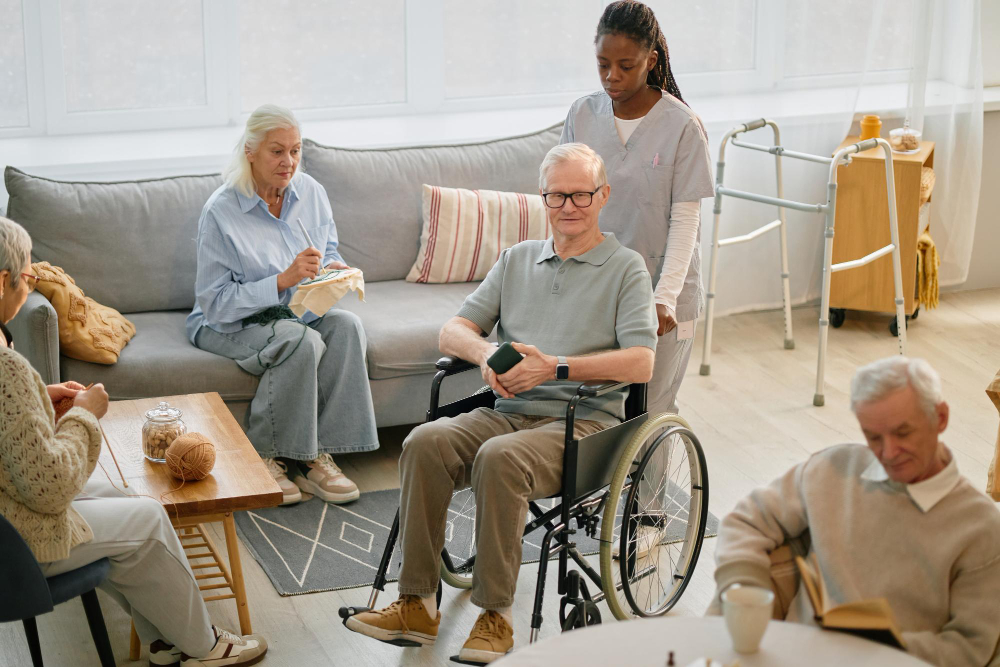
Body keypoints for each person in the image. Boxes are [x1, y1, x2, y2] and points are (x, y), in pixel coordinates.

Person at [343, 143, 657, 663]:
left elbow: (641, 363)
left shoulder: (626, 269)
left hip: (584, 424)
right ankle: (416, 602)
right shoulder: (516, 261)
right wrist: (486, 354)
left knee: (499, 459)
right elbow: (453, 330)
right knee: (424, 441)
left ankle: (495, 616)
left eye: (582, 194)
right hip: (506, 411)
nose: (569, 206)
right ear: (543, 199)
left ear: (604, 196)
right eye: (558, 196)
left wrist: (553, 366)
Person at [0, 216, 267, 666]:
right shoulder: (6, 369)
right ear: (2, 280)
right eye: (27, 276)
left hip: (10, 510)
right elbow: (50, 489)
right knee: (145, 519)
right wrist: (85, 415)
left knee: (120, 496)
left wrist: (37, 400)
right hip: (16, 543)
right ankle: (204, 647)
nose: (30, 284)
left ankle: (165, 641)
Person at [710, 356, 1000, 667]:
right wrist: (746, 592)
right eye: (874, 437)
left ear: (940, 417)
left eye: (903, 433)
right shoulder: (834, 469)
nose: (888, 453)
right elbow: (746, 520)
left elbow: (967, 651)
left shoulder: (981, 528)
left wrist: (875, 650)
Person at [561, 0, 715, 559]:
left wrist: (664, 296)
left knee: (651, 407)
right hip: (600, 287)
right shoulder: (582, 114)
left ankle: (648, 516)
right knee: (600, 402)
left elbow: (685, 220)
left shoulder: (681, 126)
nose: (611, 77)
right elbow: (565, 201)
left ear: (651, 59)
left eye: (625, 65)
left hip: (664, 295)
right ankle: (602, 496)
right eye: (603, 64)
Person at [187, 104, 378, 506]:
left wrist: (333, 269)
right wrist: (282, 280)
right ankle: (266, 457)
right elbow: (216, 303)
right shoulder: (220, 212)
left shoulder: (311, 192)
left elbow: (326, 250)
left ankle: (317, 458)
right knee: (300, 341)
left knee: (346, 328)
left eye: (295, 150)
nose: (288, 162)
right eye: (277, 151)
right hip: (229, 321)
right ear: (250, 152)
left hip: (294, 311)